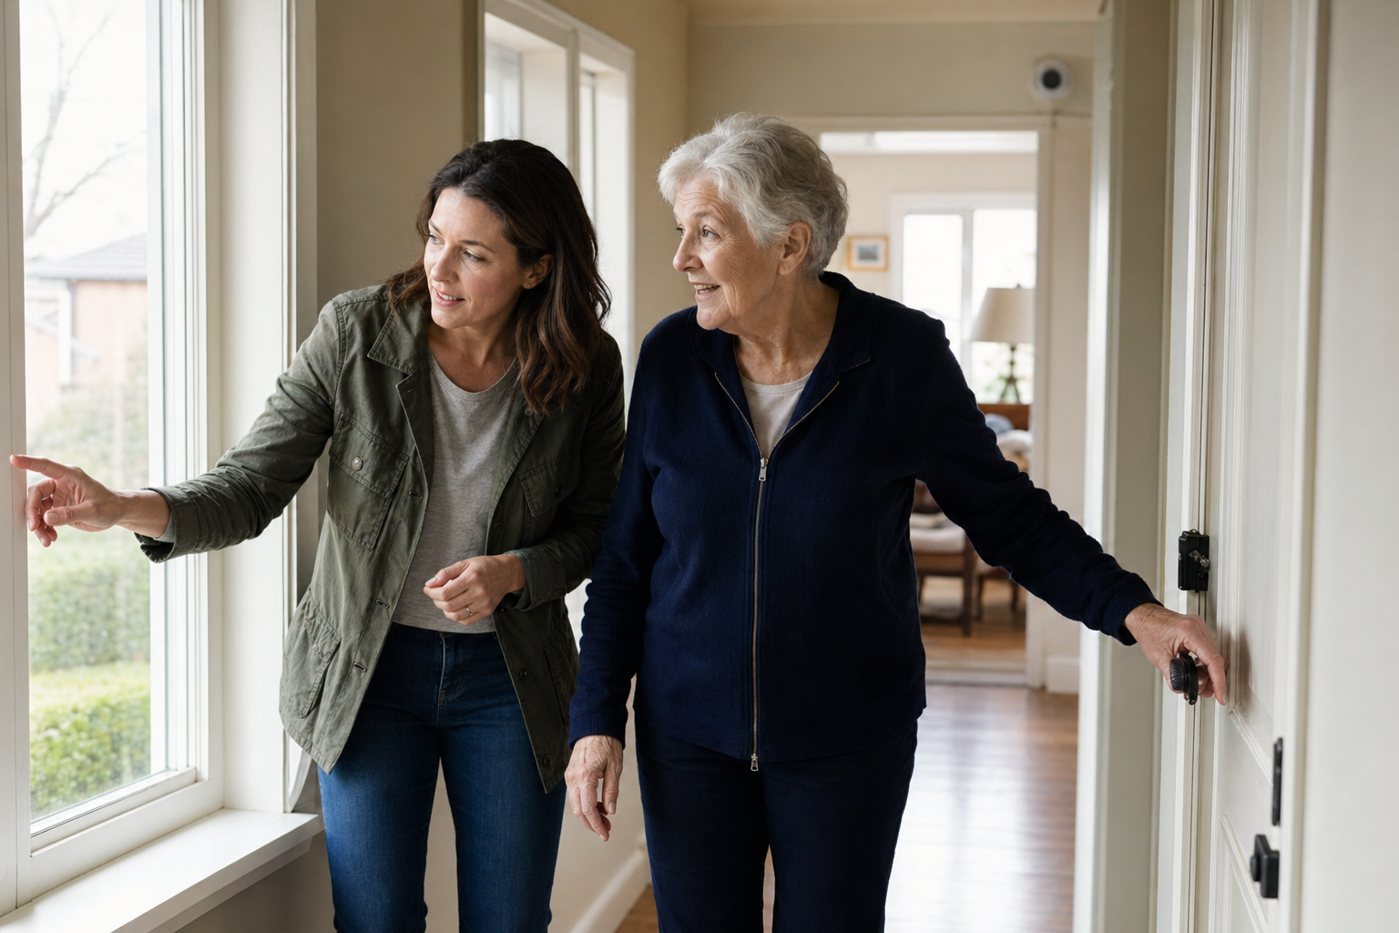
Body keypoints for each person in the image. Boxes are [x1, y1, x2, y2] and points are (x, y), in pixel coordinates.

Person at [563, 113, 1227, 932]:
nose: (681, 258)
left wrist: (1138, 613)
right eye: (681, 231)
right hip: (686, 733)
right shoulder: (671, 357)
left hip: (847, 739)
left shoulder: (900, 355)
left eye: (706, 231)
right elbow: (627, 559)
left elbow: (1008, 515)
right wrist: (595, 721)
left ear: (788, 244)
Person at [13, 139, 625, 933]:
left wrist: (515, 570)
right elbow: (250, 486)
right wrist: (122, 504)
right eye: (435, 237)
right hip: (368, 677)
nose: (439, 268)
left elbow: (594, 531)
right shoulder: (357, 332)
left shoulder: (584, 366)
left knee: (510, 922)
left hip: (511, 681)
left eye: (472, 253)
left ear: (536, 268)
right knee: (374, 922)